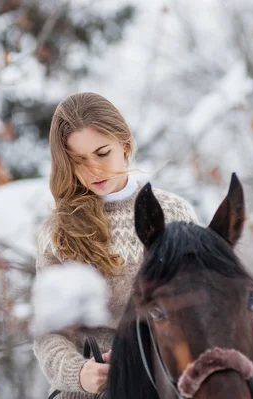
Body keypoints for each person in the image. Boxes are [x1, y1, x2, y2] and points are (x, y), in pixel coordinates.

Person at [33, 92, 198, 398]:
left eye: (102, 153)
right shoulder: (57, 233)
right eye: (78, 160)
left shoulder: (174, 214)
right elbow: (49, 334)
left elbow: (199, 309)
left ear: (124, 144)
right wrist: (79, 373)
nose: (93, 169)